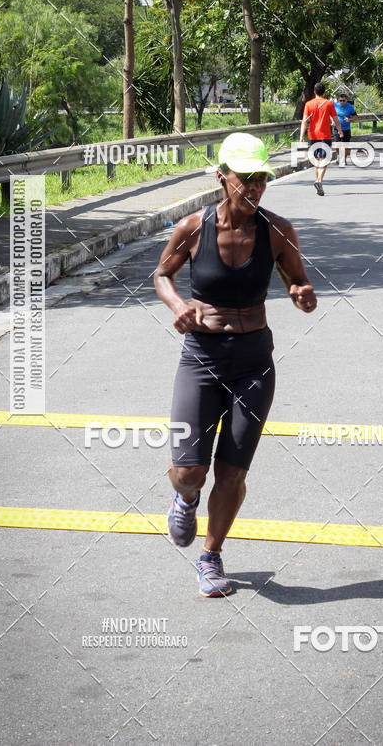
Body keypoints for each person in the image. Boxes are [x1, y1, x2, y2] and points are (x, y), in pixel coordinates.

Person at [154, 132, 318, 596]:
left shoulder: (277, 230)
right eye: (245, 179)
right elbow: (162, 274)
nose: (255, 187)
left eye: (262, 179)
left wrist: (301, 295)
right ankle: (184, 500)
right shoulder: (192, 227)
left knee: (232, 471)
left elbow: (297, 280)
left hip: (253, 362)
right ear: (222, 177)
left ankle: (211, 556)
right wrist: (177, 306)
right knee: (191, 472)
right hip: (201, 358)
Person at [299, 81, 343, 196]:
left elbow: (304, 121)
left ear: (314, 92)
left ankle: (318, 182)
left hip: (312, 136)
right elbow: (336, 120)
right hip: (325, 136)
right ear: (324, 92)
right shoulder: (328, 103)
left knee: (317, 161)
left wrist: (301, 136)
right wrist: (340, 131)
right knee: (324, 160)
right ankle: (319, 181)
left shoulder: (308, 104)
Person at [332, 93, 358, 163]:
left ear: (346, 100)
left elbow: (355, 117)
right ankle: (338, 156)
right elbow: (330, 115)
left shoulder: (350, 107)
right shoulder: (335, 106)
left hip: (346, 128)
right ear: (338, 100)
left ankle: (344, 159)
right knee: (337, 144)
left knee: (346, 145)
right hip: (337, 127)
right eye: (340, 100)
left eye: (343, 100)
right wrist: (332, 121)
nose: (342, 102)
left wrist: (349, 120)